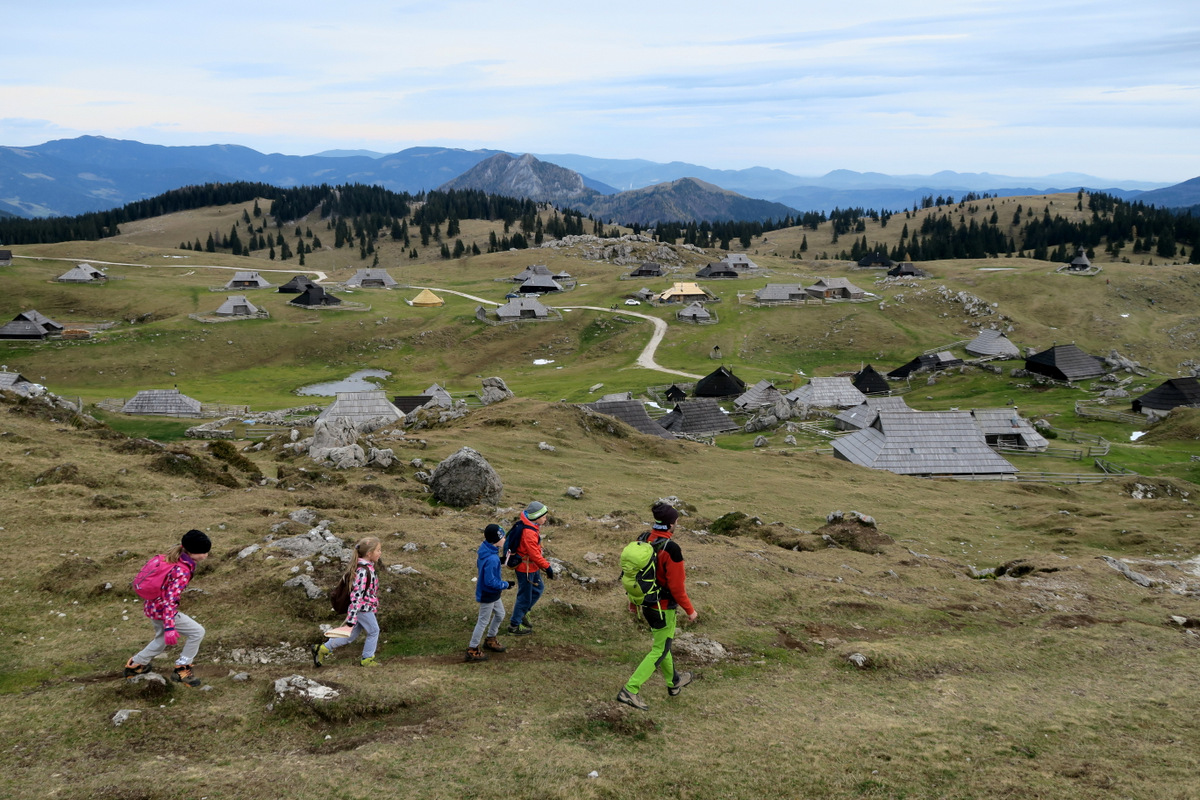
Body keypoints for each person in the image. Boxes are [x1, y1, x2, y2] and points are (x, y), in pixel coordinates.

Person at [616, 501, 696, 711]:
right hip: (663, 608)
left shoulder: (643, 539)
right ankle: (630, 690)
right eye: (676, 521)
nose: (676, 524)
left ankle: (674, 682)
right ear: (671, 525)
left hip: (646, 603)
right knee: (660, 649)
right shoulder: (671, 549)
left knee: (663, 644)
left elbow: (634, 575)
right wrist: (690, 610)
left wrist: (633, 602)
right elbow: (677, 587)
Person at [124, 529, 212, 687]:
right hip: (163, 611)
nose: (206, 555)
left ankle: (136, 664)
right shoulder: (182, 571)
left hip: (152, 607)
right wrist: (170, 626)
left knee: (161, 640)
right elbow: (170, 600)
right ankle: (182, 669)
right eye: (203, 552)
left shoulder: (172, 558)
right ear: (192, 552)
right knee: (197, 632)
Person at [313, 537, 382, 667]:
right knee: (374, 631)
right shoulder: (363, 571)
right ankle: (367, 659)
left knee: (350, 636)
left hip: (364, 607)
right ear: (369, 553)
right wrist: (352, 617)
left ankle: (322, 649)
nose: (380, 553)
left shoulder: (367, 568)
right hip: (362, 608)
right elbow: (356, 596)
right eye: (378, 550)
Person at [466, 524, 512, 662]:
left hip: (493, 593)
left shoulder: (487, 550)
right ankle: (472, 649)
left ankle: (490, 639)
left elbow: (488, 566)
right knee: (483, 621)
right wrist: (506, 584)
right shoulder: (492, 558)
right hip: (488, 593)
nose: (505, 539)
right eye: (502, 537)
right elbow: (490, 581)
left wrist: (500, 561)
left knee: (500, 614)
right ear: (495, 540)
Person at [507, 500, 553, 636]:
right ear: (536, 517)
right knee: (524, 597)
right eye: (544, 516)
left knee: (538, 589)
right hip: (525, 569)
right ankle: (514, 625)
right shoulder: (529, 532)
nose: (545, 519)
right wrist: (547, 567)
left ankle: (523, 613)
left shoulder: (532, 525)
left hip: (532, 567)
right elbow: (533, 554)